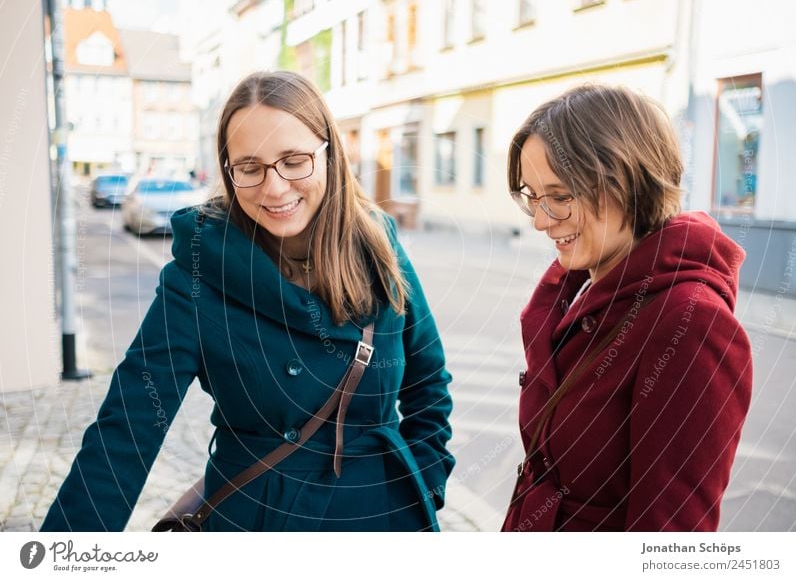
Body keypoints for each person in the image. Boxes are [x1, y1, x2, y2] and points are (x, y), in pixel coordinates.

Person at [41, 71, 454, 532]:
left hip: (386, 518)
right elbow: (130, 424)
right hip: (262, 519)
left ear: (330, 155)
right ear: (227, 169)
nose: (274, 189)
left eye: (294, 161)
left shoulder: (377, 242)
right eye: (250, 167)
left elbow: (428, 379)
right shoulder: (199, 273)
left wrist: (426, 483)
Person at [501, 84, 752, 532]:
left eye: (560, 196)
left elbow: (671, 533)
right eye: (532, 196)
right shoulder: (580, 288)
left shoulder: (691, 321)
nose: (540, 220)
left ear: (628, 182)